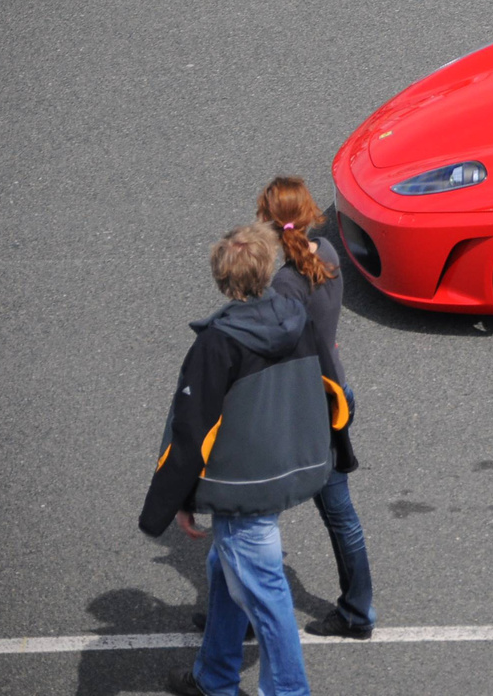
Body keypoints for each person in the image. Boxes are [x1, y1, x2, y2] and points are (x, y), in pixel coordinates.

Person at [140, 223, 333, 696]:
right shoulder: (295, 317)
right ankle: (214, 676)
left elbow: (192, 430)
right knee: (223, 570)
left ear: (222, 280)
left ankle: (289, 692)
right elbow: (325, 385)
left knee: (266, 598)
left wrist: (174, 501)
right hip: (282, 470)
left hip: (241, 490)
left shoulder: (218, 342)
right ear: (267, 270)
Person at [258, 176, 375, 641]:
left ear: (267, 222)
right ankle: (357, 611)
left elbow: (280, 349)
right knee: (338, 512)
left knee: (252, 512)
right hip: (334, 394)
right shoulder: (326, 252)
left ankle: (242, 612)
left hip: (304, 406)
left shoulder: (285, 284)